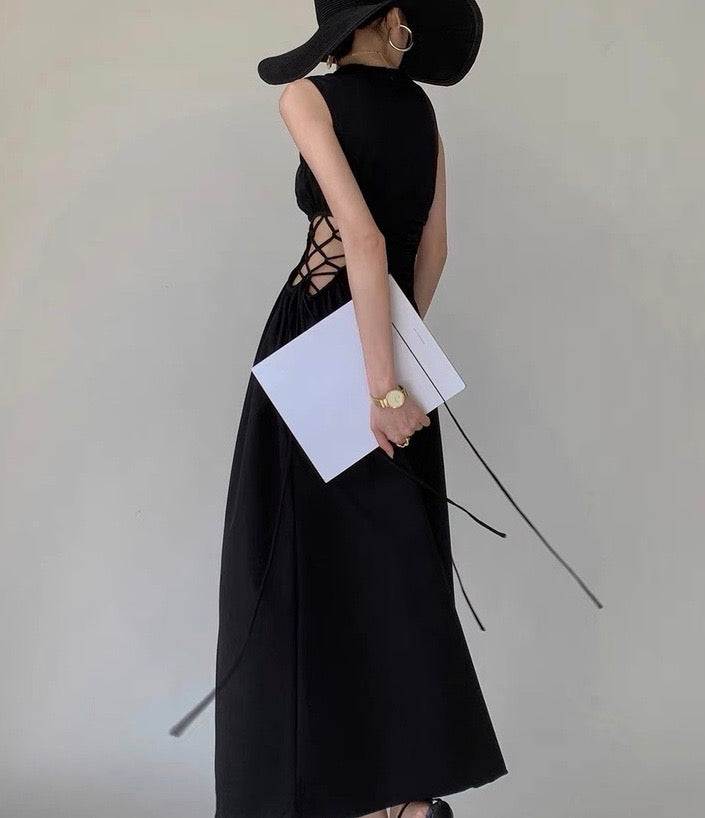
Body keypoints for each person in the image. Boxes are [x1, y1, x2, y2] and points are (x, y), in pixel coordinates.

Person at [170, 2, 511, 817]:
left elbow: (359, 238)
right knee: (391, 572)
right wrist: (396, 360)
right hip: (387, 341)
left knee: (289, 568)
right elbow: (431, 248)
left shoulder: (305, 96)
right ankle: (404, 803)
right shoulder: (422, 113)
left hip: (313, 348)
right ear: (393, 19)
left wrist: (378, 386)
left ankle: (316, 797)